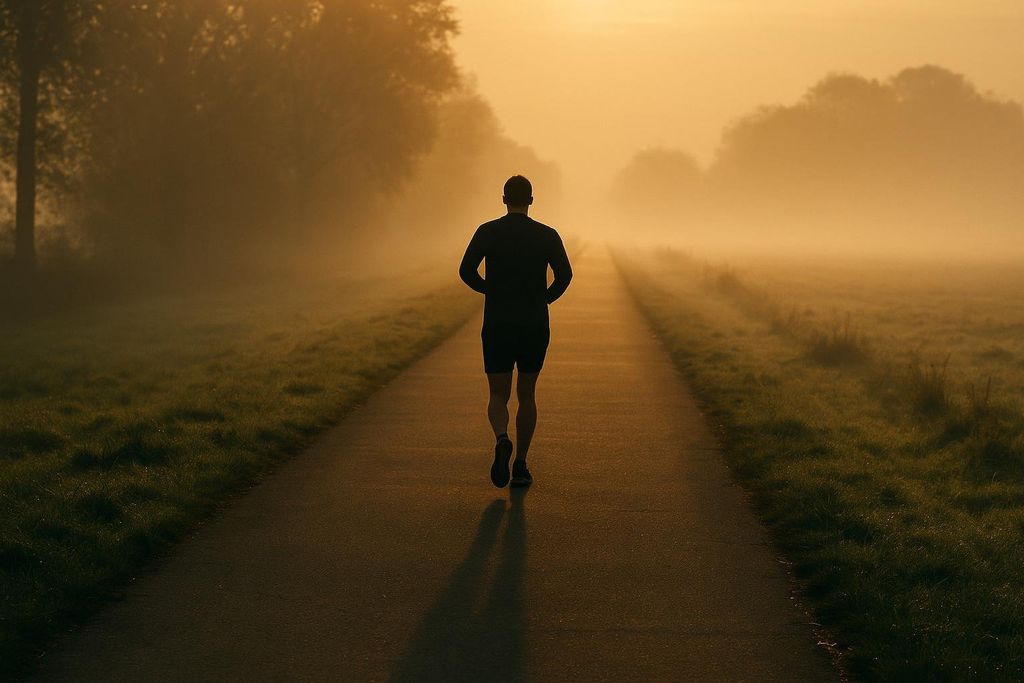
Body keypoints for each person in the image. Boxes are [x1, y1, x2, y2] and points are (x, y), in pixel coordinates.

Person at [459, 175, 573, 488]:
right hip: (534, 323)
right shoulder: (547, 235)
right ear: (531, 200)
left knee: (498, 394)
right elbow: (565, 275)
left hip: (497, 322)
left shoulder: (487, 231)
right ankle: (521, 465)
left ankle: (501, 438)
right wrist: (544, 298)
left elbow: (466, 271)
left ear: (503, 199)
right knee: (527, 394)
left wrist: (490, 290)